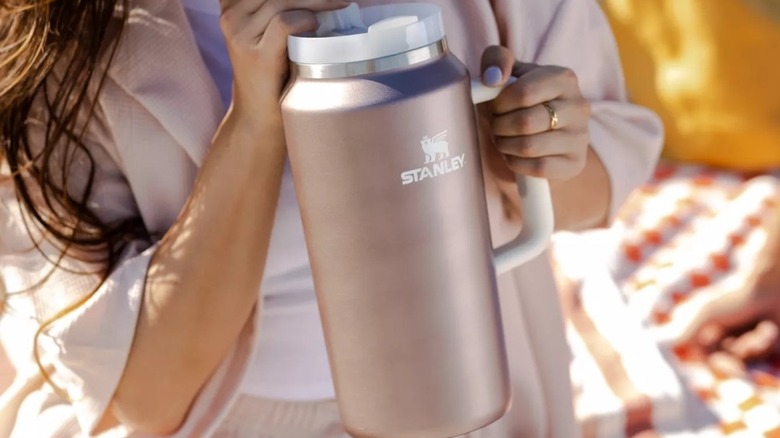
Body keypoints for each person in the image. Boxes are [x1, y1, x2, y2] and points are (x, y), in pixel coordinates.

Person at [0, 0, 663, 436]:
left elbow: (608, 167)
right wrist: (256, 121)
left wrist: (515, 146)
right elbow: (144, 397)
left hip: (468, 392)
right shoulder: (62, 41)